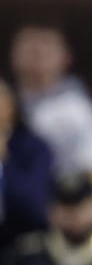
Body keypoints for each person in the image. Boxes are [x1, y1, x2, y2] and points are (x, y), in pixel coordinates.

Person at [10, 25, 92, 185]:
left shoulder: (80, 109)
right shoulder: (5, 101)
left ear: (66, 56)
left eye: (46, 44)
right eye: (29, 44)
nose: (37, 51)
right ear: (13, 54)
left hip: (64, 199)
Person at [0, 79, 55, 247]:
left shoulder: (33, 148)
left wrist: (5, 159)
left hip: (18, 244)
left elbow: (34, 209)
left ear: (12, 106)